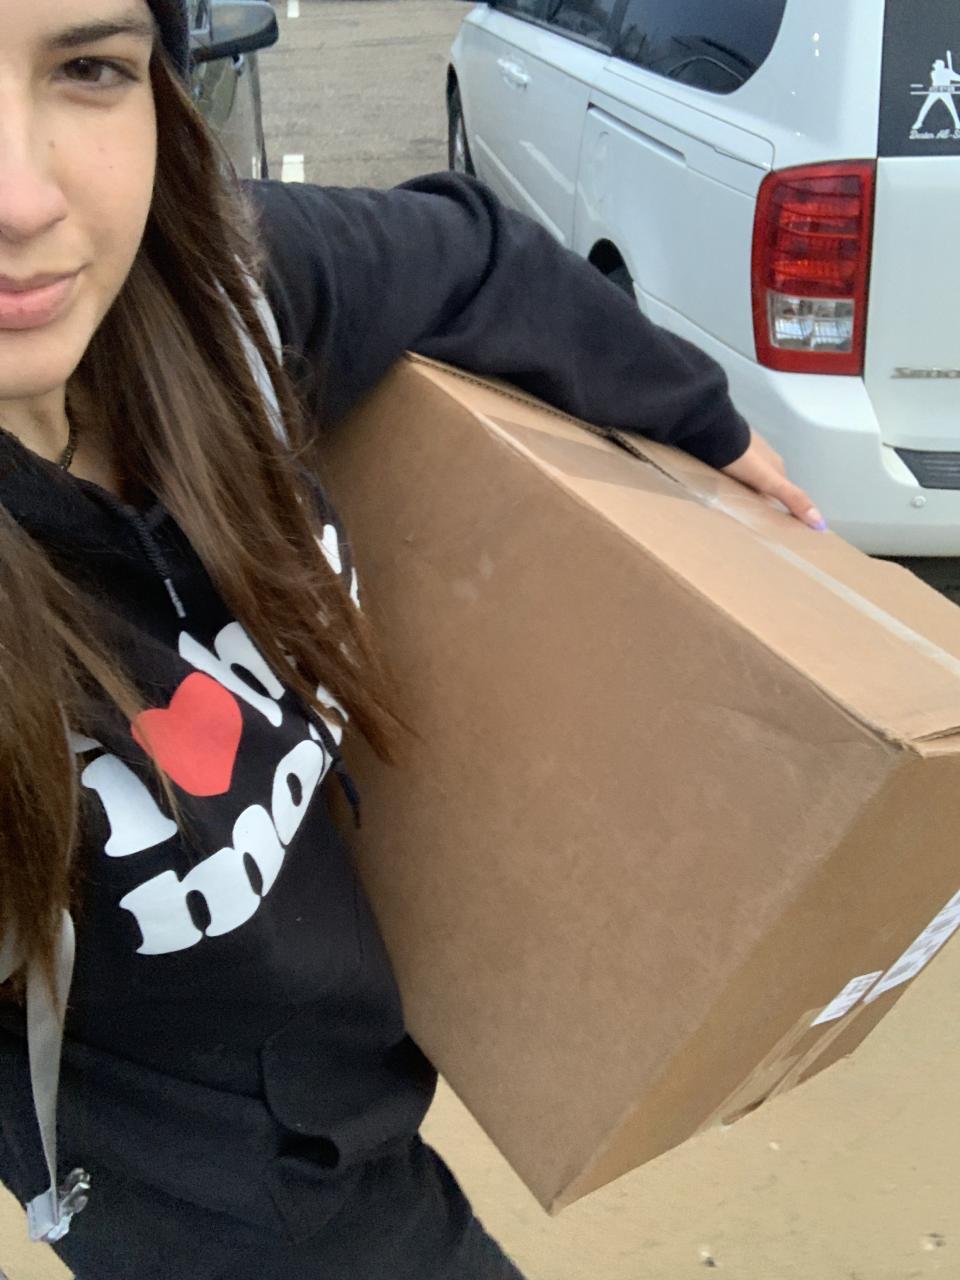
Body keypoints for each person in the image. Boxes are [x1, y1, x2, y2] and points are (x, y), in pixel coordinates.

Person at [0, 2, 824, 1276]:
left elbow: (477, 256)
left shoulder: (222, 307)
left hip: (365, 1069)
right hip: (227, 1219)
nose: (21, 197)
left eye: (89, 67)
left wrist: (703, 422)